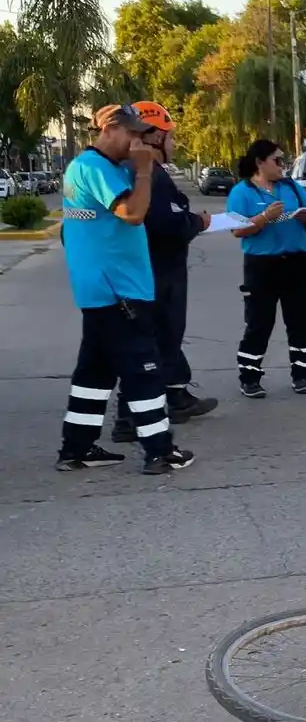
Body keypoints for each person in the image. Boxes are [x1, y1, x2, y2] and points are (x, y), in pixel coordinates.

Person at [56, 104, 195, 474]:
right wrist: (146, 171)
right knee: (144, 369)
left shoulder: (91, 168)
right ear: (110, 129)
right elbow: (132, 213)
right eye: (134, 135)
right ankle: (159, 451)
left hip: (101, 286)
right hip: (118, 290)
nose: (139, 143)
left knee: (95, 372)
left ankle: (77, 448)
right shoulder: (95, 168)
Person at [111, 100, 217, 442]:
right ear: (154, 136)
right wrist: (196, 221)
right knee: (150, 345)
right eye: (169, 137)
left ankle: (174, 397)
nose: (172, 144)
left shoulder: (145, 174)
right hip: (156, 272)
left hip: (160, 270)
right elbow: (166, 222)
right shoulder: (146, 175)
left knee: (163, 341)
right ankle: (131, 420)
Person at [227, 139, 306, 398]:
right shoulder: (242, 192)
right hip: (262, 266)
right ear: (260, 162)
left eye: (283, 160)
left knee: (300, 322)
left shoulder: (291, 186)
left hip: (297, 262)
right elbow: (237, 230)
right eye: (277, 160)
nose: (283, 165)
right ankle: (250, 377)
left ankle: (301, 376)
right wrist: (264, 218)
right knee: (259, 323)